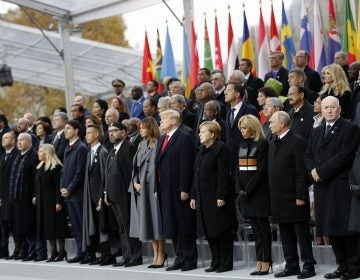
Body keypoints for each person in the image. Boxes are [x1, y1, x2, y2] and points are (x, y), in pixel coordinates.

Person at [304, 96, 360, 279]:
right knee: (330, 228)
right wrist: (313, 171)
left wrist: (320, 171)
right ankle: (341, 265)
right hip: (322, 186)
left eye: (332, 107)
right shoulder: (316, 131)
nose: (328, 110)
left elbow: (344, 156)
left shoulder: (350, 129)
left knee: (345, 228)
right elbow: (308, 155)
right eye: (325, 107)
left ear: (339, 109)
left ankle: (354, 267)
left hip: (340, 185)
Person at [268, 111, 316, 279]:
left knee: (301, 234)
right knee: (286, 233)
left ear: (282, 124)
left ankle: (309, 265)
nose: (269, 124)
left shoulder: (297, 142)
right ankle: (292, 264)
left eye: (272, 121)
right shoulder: (273, 142)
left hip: (294, 197)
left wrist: (300, 195)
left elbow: (301, 172)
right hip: (278, 197)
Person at [190, 121, 235, 273]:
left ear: (213, 134)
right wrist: (193, 195)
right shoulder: (201, 150)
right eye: (200, 132)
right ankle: (215, 260)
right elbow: (195, 174)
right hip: (203, 197)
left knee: (221, 230)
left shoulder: (221, 149)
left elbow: (223, 175)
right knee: (209, 231)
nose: (200, 135)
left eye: (203, 132)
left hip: (216, 197)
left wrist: (221, 195)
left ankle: (226, 262)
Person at [155, 109, 197, 272]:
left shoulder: (184, 137)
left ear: (174, 121)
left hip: (179, 188)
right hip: (165, 188)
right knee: (171, 223)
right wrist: (156, 187)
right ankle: (179, 257)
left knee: (184, 223)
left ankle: (190, 258)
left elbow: (186, 165)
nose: (161, 121)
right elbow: (158, 165)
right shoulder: (162, 139)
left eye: (164, 118)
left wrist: (185, 188)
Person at [236, 115, 272, 275]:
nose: (242, 131)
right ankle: (259, 259)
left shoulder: (262, 144)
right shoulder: (242, 144)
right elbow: (237, 169)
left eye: (244, 128)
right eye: (241, 129)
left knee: (263, 228)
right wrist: (239, 189)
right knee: (255, 229)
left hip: (258, 193)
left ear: (253, 127)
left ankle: (267, 260)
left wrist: (247, 190)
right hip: (245, 194)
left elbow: (261, 171)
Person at [129, 117, 166, 268]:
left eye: (143, 128)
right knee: (147, 222)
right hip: (141, 189)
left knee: (156, 222)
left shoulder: (159, 143)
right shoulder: (141, 144)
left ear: (151, 128)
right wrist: (135, 182)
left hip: (154, 189)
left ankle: (161, 253)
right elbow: (135, 168)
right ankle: (155, 252)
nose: (140, 130)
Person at [104, 122, 142, 267]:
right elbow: (108, 174)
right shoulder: (112, 150)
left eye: (115, 130)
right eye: (109, 131)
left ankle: (135, 256)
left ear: (124, 132)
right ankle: (127, 256)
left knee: (129, 225)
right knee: (122, 227)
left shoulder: (128, 147)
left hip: (125, 195)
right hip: (113, 196)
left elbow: (130, 173)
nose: (111, 133)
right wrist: (106, 192)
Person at [9, 133, 47, 261]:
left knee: (30, 226)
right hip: (17, 198)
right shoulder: (17, 157)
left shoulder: (33, 156)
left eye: (22, 140)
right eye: (18, 140)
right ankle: (25, 250)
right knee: (21, 226)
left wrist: (35, 195)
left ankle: (35, 251)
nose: (19, 142)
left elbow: (37, 179)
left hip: (29, 198)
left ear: (30, 142)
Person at [82, 125, 112, 265]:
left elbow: (104, 176)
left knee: (103, 226)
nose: (86, 135)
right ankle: (97, 253)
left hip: (100, 196)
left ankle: (107, 255)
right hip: (91, 196)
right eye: (86, 133)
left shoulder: (103, 151)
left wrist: (102, 195)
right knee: (94, 225)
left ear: (96, 135)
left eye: (89, 133)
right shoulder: (89, 153)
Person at [33, 144, 67, 262]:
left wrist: (58, 202)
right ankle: (53, 251)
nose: (38, 153)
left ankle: (62, 250)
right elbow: (37, 183)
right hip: (42, 202)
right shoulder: (40, 167)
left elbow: (58, 185)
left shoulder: (56, 167)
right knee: (47, 227)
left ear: (47, 153)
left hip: (53, 202)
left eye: (41, 151)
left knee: (56, 227)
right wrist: (35, 196)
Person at [60, 120, 88, 263]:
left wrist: (69, 189)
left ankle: (86, 252)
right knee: (75, 226)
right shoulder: (67, 148)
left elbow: (80, 172)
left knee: (81, 224)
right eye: (64, 128)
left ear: (77, 131)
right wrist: (62, 188)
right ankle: (79, 252)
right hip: (68, 194)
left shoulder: (81, 148)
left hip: (77, 194)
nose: (65, 131)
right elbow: (64, 171)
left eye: (68, 128)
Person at [0, 132, 18, 259]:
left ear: (13, 140)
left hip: (12, 196)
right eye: (2, 138)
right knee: (3, 225)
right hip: (2, 196)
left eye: (6, 138)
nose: (3, 140)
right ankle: (3, 250)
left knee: (14, 224)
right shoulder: (2, 156)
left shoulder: (16, 155)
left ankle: (19, 249)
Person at [347, 146, 360, 280]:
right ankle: (355, 268)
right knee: (357, 234)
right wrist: (352, 185)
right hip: (357, 196)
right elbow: (352, 170)